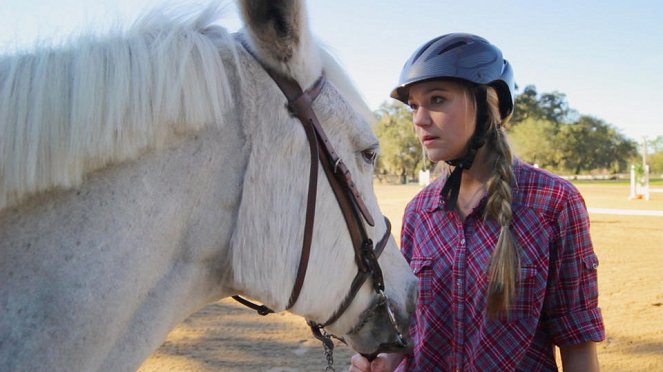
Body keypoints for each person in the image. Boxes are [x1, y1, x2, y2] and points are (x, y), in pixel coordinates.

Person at [350, 33, 605, 371]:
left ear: (489, 106)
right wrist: (386, 361)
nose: (419, 119)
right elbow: (411, 327)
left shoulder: (554, 203)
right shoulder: (419, 212)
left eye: (437, 100)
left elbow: (577, 342)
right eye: (414, 106)